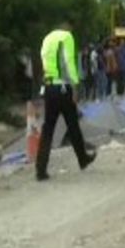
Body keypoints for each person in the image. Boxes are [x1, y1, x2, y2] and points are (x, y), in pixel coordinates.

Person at [36, 22, 96, 181]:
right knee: (73, 124)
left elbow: (44, 61)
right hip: (63, 88)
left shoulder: (47, 39)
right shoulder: (67, 37)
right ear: (67, 29)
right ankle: (83, 159)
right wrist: (75, 86)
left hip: (49, 87)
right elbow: (69, 63)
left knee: (48, 128)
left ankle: (40, 170)